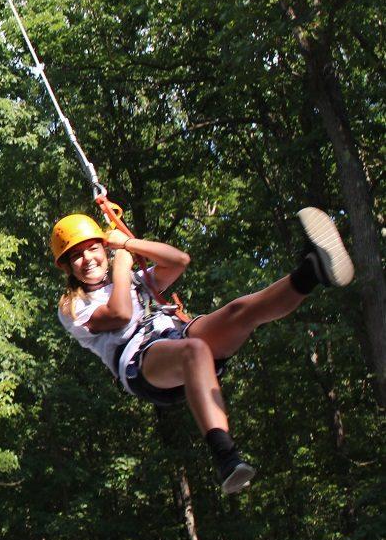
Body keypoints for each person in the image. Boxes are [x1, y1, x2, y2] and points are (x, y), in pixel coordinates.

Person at [52, 207, 354, 494]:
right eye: (76, 256)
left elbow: (179, 260)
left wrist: (129, 243)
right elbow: (118, 314)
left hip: (174, 333)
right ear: (66, 267)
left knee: (239, 312)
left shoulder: (133, 278)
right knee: (194, 350)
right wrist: (122, 265)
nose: (87, 259)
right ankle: (226, 457)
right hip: (140, 362)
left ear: (104, 249)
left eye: (93, 249)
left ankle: (311, 271)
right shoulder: (73, 306)